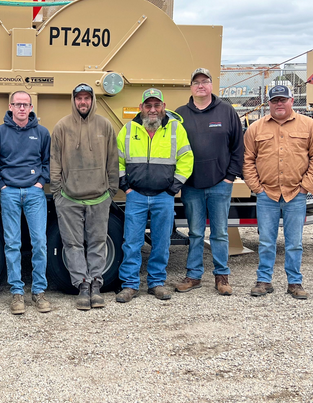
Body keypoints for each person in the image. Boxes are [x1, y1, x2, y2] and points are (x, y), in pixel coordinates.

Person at [243, 84, 313, 299]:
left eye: (283, 99)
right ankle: (264, 280)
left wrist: (306, 188)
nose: (279, 104)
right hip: (267, 195)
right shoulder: (255, 128)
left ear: (291, 101)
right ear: (269, 103)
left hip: (295, 195)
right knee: (266, 241)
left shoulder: (309, 126)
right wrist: (257, 188)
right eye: (274, 100)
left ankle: (294, 282)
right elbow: (248, 160)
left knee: (294, 243)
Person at [115, 89, 193, 303]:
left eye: (156, 105)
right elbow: (117, 160)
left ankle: (156, 283)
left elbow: (186, 158)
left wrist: (173, 187)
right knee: (131, 242)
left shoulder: (175, 129)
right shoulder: (129, 129)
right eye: (148, 105)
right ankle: (130, 285)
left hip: (163, 196)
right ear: (141, 108)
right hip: (136, 196)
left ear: (163, 107)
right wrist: (125, 186)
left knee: (160, 242)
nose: (152, 110)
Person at [174, 67, 244, 296]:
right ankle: (193, 276)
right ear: (191, 87)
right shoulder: (180, 114)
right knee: (194, 232)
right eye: (196, 82)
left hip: (219, 184)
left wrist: (229, 177)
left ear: (212, 85)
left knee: (220, 232)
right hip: (191, 185)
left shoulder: (227, 112)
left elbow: (238, 146)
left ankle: (221, 276)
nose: (201, 85)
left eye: (205, 81)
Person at [50, 83, 119, 311]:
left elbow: (112, 160)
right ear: (73, 100)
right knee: (73, 244)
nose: (83, 102)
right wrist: (58, 193)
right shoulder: (62, 127)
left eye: (87, 98)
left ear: (92, 100)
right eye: (79, 98)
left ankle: (96, 285)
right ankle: (81, 285)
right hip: (69, 198)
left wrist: (111, 191)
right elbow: (55, 162)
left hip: (99, 198)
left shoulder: (105, 126)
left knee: (98, 243)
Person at [0, 91, 51, 315]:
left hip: (34, 193)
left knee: (39, 242)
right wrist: (2, 186)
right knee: (12, 244)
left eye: (25, 105)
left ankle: (39, 291)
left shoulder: (42, 133)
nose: (22, 109)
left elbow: (48, 161)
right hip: (10, 193)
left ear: (31, 106)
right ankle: (17, 292)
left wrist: (40, 182)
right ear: (10, 106)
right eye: (18, 104)